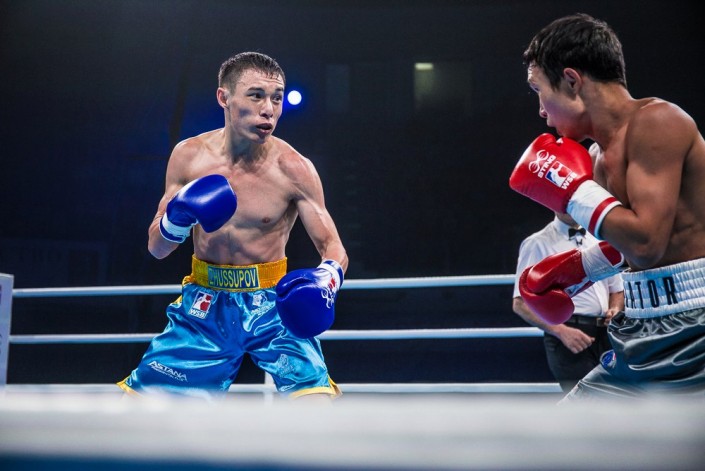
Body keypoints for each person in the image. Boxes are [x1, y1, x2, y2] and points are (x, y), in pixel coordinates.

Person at [118, 52, 348, 400]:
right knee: (137, 410)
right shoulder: (189, 156)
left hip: (273, 305)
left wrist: (326, 279)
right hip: (204, 303)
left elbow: (334, 247)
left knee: (316, 405)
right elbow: (157, 249)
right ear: (224, 97)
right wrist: (176, 218)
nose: (268, 109)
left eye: (277, 98)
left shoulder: (294, 168)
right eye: (256, 95)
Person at [510, 13, 705, 399]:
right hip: (638, 329)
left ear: (572, 81)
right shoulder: (596, 158)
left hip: (697, 328)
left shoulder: (658, 122)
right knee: (569, 428)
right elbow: (630, 246)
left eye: (538, 90)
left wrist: (572, 191)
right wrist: (577, 269)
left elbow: (647, 244)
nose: (541, 111)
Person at [513, 212, 624, 393]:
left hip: (605, 333)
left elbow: (616, 289)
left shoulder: (599, 238)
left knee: (615, 398)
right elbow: (520, 303)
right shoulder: (537, 243)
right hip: (567, 334)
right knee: (584, 400)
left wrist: (615, 309)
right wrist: (561, 331)